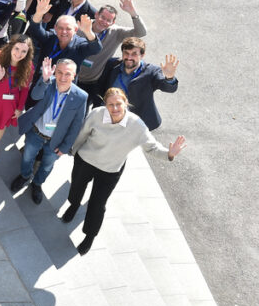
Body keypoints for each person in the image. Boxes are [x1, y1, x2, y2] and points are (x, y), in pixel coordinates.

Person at [63, 88, 187, 255]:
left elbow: (152, 148)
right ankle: (74, 205)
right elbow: (82, 134)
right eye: (110, 104)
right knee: (76, 187)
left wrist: (169, 154)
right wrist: (74, 151)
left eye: (118, 104)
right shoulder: (97, 114)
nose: (115, 108)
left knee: (97, 204)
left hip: (110, 169)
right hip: (86, 160)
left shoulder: (137, 125)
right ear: (105, 104)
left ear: (125, 103)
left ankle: (89, 236)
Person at [9, 58, 88, 204]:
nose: (63, 77)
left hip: (56, 141)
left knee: (47, 166)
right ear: (55, 72)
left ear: (75, 75)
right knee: (27, 158)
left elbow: (77, 125)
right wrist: (44, 79)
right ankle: (25, 176)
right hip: (36, 132)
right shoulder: (48, 83)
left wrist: (65, 146)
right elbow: (35, 96)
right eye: (59, 72)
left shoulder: (81, 97)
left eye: (68, 74)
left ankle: (37, 184)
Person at [96, 38, 179, 130]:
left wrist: (169, 77)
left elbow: (169, 88)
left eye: (134, 54)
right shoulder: (112, 64)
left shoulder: (151, 71)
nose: (129, 57)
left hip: (138, 123)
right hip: (112, 119)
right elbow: (100, 89)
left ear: (142, 55)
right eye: (126, 53)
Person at [77, 0, 147, 99]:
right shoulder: (81, 26)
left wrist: (133, 12)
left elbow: (141, 32)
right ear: (96, 15)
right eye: (102, 17)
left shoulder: (116, 32)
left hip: (91, 83)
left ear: (113, 22)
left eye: (108, 20)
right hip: (69, 76)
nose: (104, 22)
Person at [26, 0, 102, 79]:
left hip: (64, 85)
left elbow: (96, 49)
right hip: (41, 81)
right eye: (60, 28)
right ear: (55, 28)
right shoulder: (50, 38)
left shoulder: (80, 45)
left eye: (68, 29)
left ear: (75, 29)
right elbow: (35, 30)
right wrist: (39, 13)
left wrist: (88, 32)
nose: (64, 32)